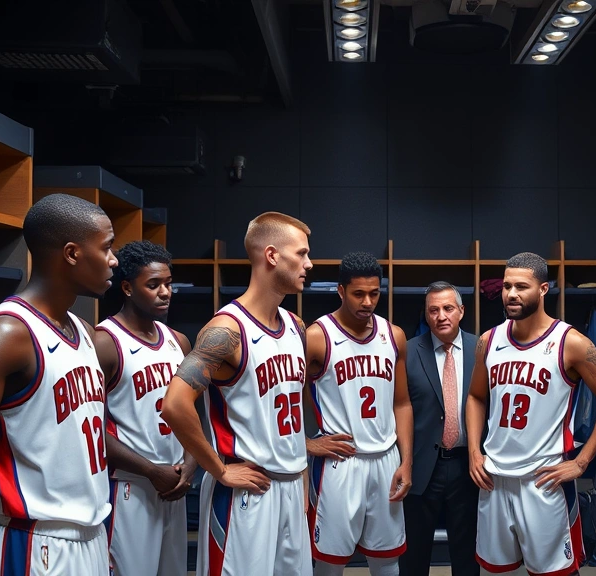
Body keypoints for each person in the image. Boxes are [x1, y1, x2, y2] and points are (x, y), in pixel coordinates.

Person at [0, 193, 119, 575]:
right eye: (107, 248)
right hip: (30, 538)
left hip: (89, 534)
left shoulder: (84, 331)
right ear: (71, 253)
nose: (114, 260)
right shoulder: (7, 334)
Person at [161, 211, 314, 576]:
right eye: (302, 254)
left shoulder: (296, 326)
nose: (309, 264)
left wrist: (302, 474)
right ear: (272, 256)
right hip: (247, 492)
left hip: (292, 487)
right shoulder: (226, 330)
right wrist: (219, 471)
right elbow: (174, 404)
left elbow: (289, 406)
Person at [465, 252, 596, 576]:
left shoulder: (570, 342)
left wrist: (582, 460)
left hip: (544, 481)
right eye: (506, 286)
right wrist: (475, 451)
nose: (511, 294)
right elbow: (476, 396)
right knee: (496, 572)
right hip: (495, 480)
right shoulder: (489, 341)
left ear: (544, 289)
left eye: (522, 286)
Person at [304, 251, 412, 576]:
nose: (367, 302)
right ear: (340, 291)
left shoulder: (394, 336)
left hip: (386, 459)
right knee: (329, 562)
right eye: (358, 294)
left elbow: (402, 403)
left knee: (387, 560)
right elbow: (277, 400)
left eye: (374, 293)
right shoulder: (316, 338)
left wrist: (406, 461)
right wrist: (306, 444)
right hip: (341, 463)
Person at [95, 240, 195, 576]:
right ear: (127, 287)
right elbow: (89, 429)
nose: (165, 292)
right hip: (130, 486)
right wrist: (151, 471)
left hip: (174, 485)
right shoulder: (105, 343)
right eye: (153, 285)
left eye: (168, 283)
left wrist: (191, 462)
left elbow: (193, 413)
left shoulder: (178, 341)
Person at [401, 282, 481, 576]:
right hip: (422, 469)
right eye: (433, 310)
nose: (441, 316)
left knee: (467, 558)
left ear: (461, 311)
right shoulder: (407, 352)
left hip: (468, 467)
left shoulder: (482, 348)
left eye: (448, 308)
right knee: (413, 558)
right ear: (426, 315)